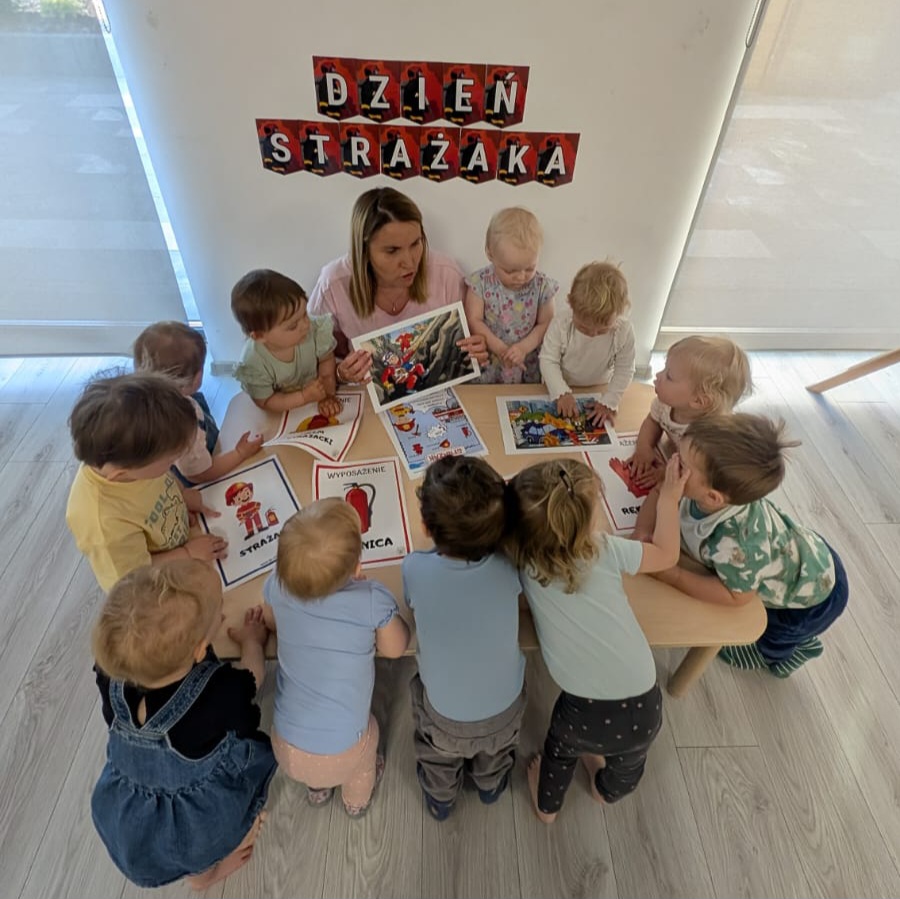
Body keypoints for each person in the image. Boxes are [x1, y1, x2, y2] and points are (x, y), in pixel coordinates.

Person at [506, 455, 688, 823]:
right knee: (628, 761)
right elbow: (667, 555)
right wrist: (669, 498)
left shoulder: (524, 562)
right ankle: (605, 791)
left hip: (581, 710)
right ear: (590, 520)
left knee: (560, 753)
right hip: (644, 704)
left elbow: (521, 604)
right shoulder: (605, 548)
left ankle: (547, 809)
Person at [90, 561, 277, 890]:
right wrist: (252, 642)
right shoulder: (219, 693)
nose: (223, 614)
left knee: (186, 852)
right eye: (219, 610)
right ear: (200, 649)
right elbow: (253, 679)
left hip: (128, 809)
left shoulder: (111, 678)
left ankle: (201, 874)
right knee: (195, 852)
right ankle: (207, 875)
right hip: (195, 818)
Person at [636, 414, 849, 678]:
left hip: (812, 596)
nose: (672, 463)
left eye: (682, 463)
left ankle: (788, 652)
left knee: (771, 636)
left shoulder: (737, 544)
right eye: (678, 452)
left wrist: (676, 576)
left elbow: (737, 596)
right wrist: (642, 532)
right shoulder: (702, 491)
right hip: (803, 553)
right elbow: (659, 492)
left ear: (712, 497)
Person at [255, 499, 410, 816]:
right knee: (363, 759)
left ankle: (317, 790)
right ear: (357, 568)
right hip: (346, 752)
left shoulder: (277, 584)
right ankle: (355, 803)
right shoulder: (371, 599)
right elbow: (396, 649)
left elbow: (271, 622)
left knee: (316, 768)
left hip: (285, 747)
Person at [402, 456, 526, 821]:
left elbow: (412, 602)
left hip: (444, 720)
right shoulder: (511, 565)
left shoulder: (415, 568)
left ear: (425, 527)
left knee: (437, 758)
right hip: (506, 713)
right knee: (496, 754)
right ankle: (491, 787)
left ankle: (441, 800)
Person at [307, 186, 487, 384]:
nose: (409, 263)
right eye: (392, 251)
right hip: (368, 395)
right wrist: (340, 373)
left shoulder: (446, 273)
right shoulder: (333, 284)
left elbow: (469, 344)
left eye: (416, 243)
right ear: (364, 251)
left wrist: (477, 349)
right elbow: (309, 362)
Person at [66, 372, 228, 591]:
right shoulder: (103, 523)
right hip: (157, 584)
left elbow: (161, 479)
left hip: (183, 539)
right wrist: (188, 553)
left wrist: (182, 496)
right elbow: (132, 576)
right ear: (122, 474)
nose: (172, 466)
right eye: (170, 461)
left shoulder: (133, 463)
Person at [133, 321, 264, 485]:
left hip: (203, 453)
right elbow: (199, 475)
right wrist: (240, 453)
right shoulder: (183, 428)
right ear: (197, 378)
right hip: (207, 477)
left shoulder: (151, 399)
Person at [627, 335, 751, 491]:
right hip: (675, 453)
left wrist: (665, 474)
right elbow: (652, 421)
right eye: (665, 368)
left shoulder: (709, 435)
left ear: (698, 401)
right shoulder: (665, 404)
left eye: (669, 376)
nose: (658, 375)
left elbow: (696, 470)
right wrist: (644, 448)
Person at [463, 207, 557, 384]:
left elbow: (547, 323)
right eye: (510, 270)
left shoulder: (543, 286)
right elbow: (474, 320)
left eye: (529, 268)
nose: (521, 277)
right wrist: (499, 348)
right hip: (491, 359)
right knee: (485, 398)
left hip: (526, 361)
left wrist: (523, 347)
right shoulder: (479, 283)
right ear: (490, 253)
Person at [231, 269, 341, 416]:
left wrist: (327, 394)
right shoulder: (253, 362)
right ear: (259, 336)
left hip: (317, 395)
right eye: (293, 326)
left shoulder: (314, 329)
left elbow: (326, 360)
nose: (305, 325)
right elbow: (265, 402)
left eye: (305, 314)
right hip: (283, 410)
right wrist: (303, 397)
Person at [539, 260, 635, 426]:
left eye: (602, 330)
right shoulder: (561, 323)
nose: (592, 334)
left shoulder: (623, 330)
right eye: (583, 327)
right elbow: (548, 360)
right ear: (571, 304)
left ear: (619, 313)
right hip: (560, 385)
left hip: (600, 388)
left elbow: (625, 369)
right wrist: (560, 392)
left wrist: (610, 401)